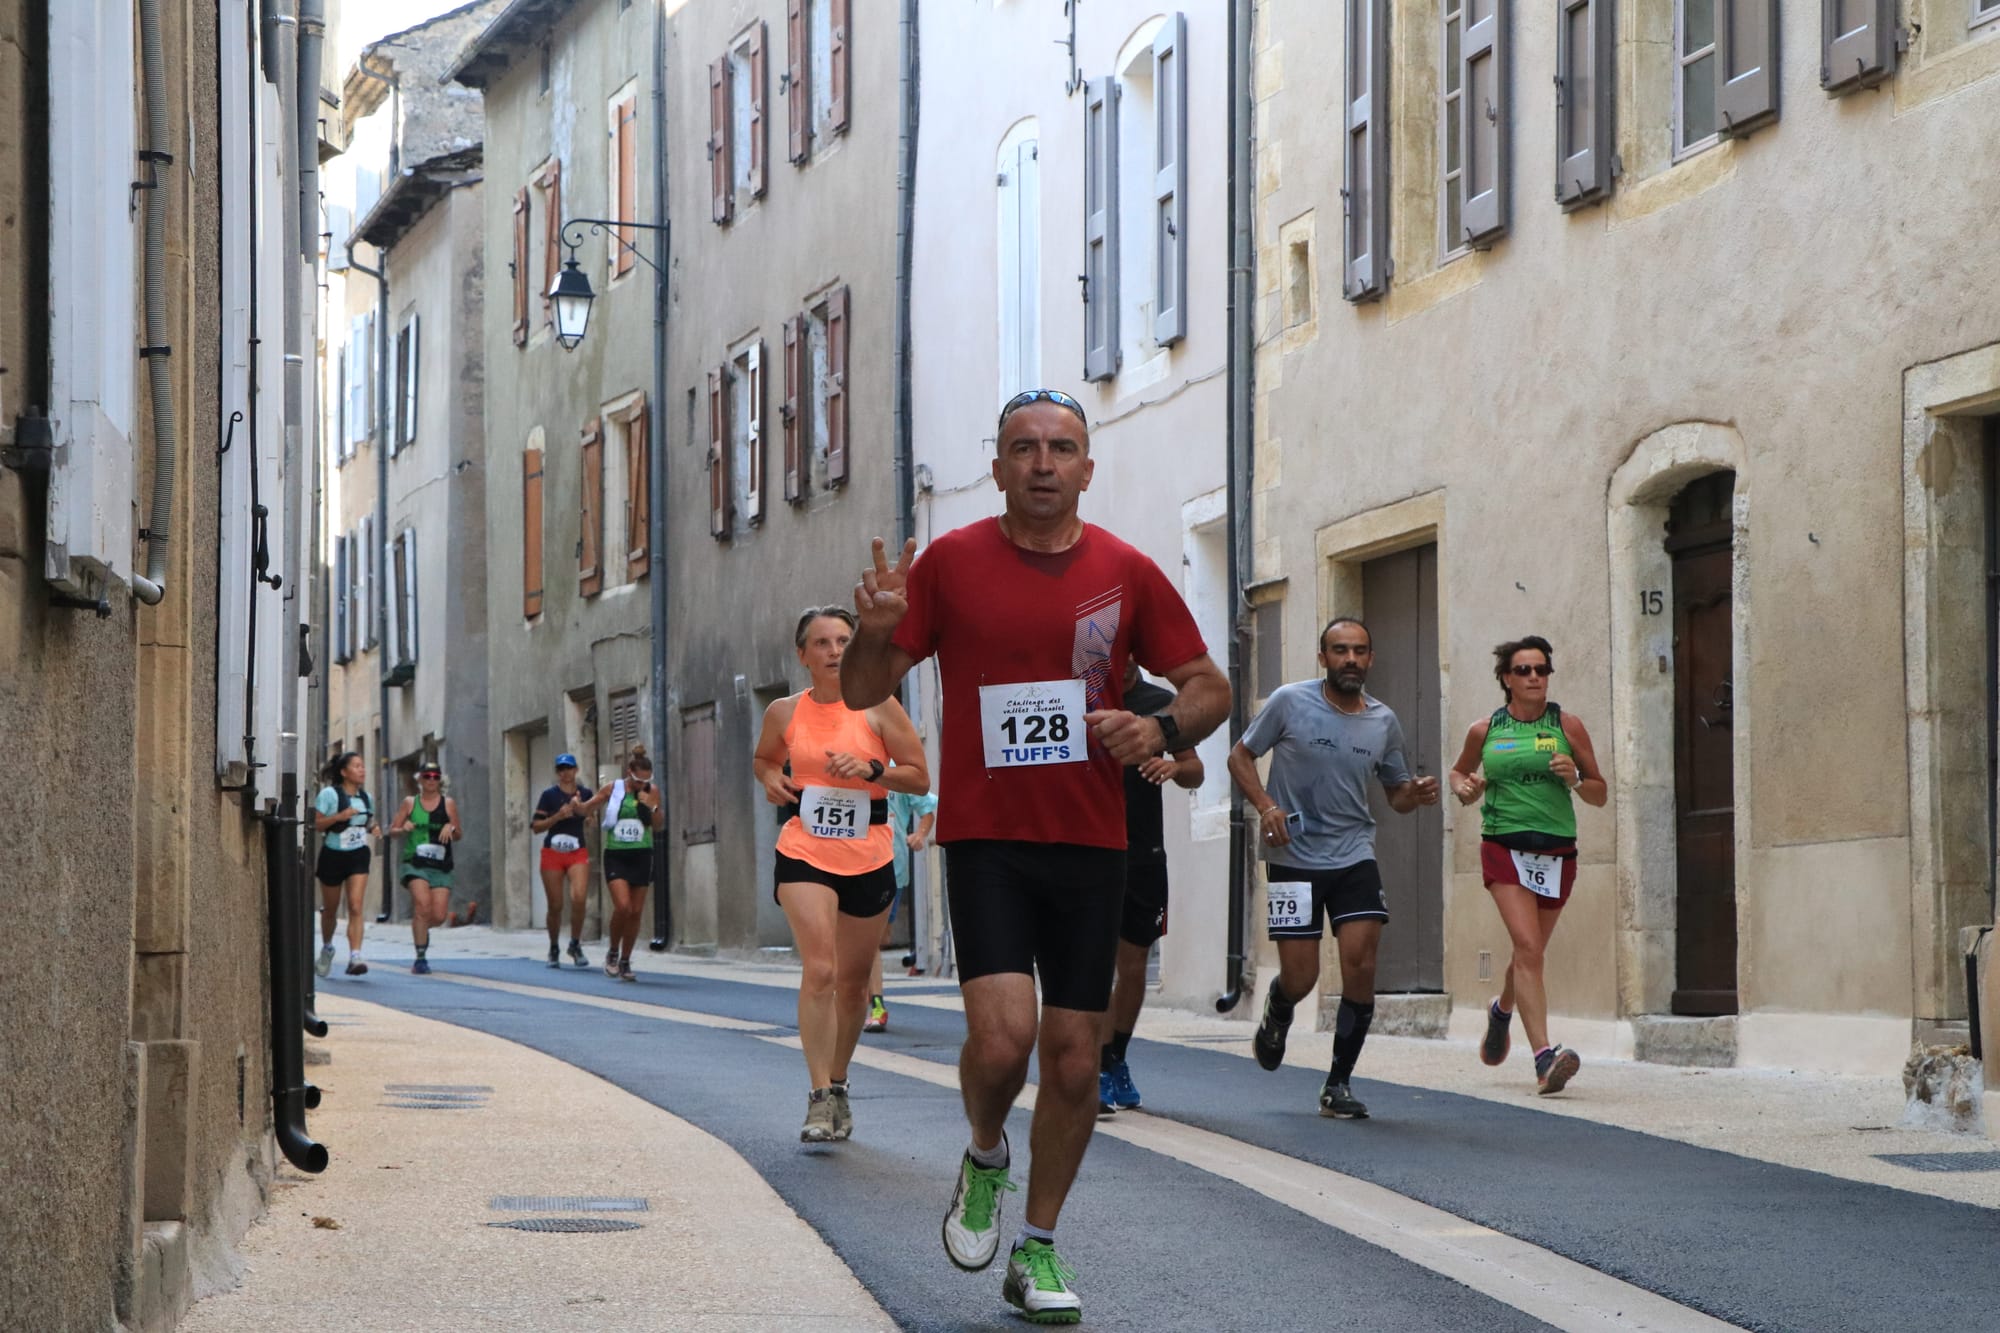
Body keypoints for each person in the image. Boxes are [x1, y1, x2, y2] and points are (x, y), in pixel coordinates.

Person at [840, 388, 1229, 1325]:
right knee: (1004, 1039)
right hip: (988, 839)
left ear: (1088, 468)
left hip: (1093, 842)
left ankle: (1039, 1246)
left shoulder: (1127, 571)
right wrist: (879, 630)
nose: (1044, 464)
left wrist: (1158, 724)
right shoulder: (951, 563)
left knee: (1072, 1059)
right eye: (1024, 448)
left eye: (1061, 448)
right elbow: (861, 689)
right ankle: (983, 1152)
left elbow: (1210, 686)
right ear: (999, 464)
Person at [1226, 617, 1441, 1119]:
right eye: (1340, 650)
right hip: (1293, 855)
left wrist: (1416, 793)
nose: (1350, 659)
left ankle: (1337, 1084)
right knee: (1300, 978)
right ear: (1322, 658)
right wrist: (1265, 806)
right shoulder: (1289, 701)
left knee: (1361, 966)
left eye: (1359, 651)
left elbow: (1397, 795)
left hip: (1353, 855)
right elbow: (1240, 756)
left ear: (1370, 659)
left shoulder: (1383, 721)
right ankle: (1279, 1010)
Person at [754, 606, 931, 1141]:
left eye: (843, 641)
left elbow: (920, 778)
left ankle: (838, 1083)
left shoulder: (879, 708)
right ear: (802, 654)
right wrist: (769, 779)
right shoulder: (785, 712)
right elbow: (764, 759)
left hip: (869, 851)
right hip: (804, 847)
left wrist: (874, 770)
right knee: (823, 970)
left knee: (853, 989)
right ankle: (816, 1096)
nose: (834, 651)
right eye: (822, 642)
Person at [1447, 635, 1606, 1096]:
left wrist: (1575, 778)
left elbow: (1600, 792)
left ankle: (1501, 1011)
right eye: (1524, 670)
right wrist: (1465, 788)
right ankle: (1544, 1060)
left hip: (1557, 851)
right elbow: (1458, 771)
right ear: (1506, 679)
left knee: (1528, 954)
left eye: (1542, 669)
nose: (1535, 677)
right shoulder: (1486, 730)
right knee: (1528, 946)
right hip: (1504, 847)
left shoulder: (1567, 726)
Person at [1099, 660, 1203, 1114]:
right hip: (1090, 848)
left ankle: (1117, 1055)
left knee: (1134, 964)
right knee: (1097, 963)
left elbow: (1195, 769)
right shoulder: (1082, 696)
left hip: (1144, 851)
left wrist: (1171, 767)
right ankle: (1098, 1065)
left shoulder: (1161, 705)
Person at [580, 748, 664, 981]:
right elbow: (590, 806)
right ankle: (613, 952)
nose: (642, 784)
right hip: (617, 854)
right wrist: (581, 808)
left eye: (646, 780)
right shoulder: (614, 789)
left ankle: (625, 960)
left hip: (642, 854)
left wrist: (652, 806)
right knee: (623, 906)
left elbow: (658, 825)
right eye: (638, 780)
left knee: (636, 911)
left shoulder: (651, 791)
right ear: (629, 773)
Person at [864, 785, 938, 1033]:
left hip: (893, 870)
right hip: (855, 866)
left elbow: (928, 808)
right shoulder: (852, 765)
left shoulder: (898, 773)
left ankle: (864, 991)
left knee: (881, 938)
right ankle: (876, 1004)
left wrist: (920, 835)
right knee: (868, 940)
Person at [387, 763, 461, 975]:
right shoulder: (410, 803)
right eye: (427, 776)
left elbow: (458, 834)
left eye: (435, 776)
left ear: (440, 780)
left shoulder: (448, 804)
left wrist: (451, 827)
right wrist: (403, 828)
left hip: (441, 864)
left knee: (438, 915)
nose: (431, 780)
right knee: (422, 905)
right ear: (419, 779)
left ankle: (420, 929)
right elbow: (392, 830)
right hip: (415, 862)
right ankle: (420, 958)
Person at [312, 752, 379, 978]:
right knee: (330, 909)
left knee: (355, 906)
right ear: (344, 772)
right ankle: (328, 947)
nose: (362, 770)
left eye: (363, 766)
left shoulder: (366, 797)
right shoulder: (329, 795)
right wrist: (339, 816)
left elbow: (367, 821)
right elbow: (316, 824)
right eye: (357, 766)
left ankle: (355, 956)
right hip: (333, 855)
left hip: (358, 855)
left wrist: (373, 828)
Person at [531, 754, 595, 969]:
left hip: (577, 850)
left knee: (579, 898)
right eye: (561, 769)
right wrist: (558, 816)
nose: (565, 772)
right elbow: (536, 827)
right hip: (553, 852)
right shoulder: (549, 796)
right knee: (556, 904)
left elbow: (591, 818)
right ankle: (554, 946)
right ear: (557, 772)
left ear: (576, 770)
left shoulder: (585, 793)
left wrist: (586, 815)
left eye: (569, 768)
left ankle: (575, 944)